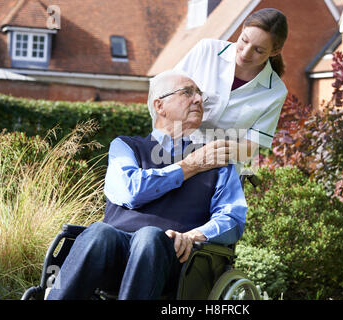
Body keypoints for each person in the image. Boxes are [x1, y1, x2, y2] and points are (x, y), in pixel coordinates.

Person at [46, 69, 247, 300]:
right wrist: (190, 166)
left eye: (200, 95)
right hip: (113, 254)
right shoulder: (126, 147)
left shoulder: (217, 161)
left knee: (150, 236)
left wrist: (193, 236)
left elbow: (232, 219)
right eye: (188, 92)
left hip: (175, 261)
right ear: (159, 106)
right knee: (99, 231)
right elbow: (129, 191)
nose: (199, 99)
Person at [173, 8, 288, 167]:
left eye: (258, 50)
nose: (246, 53)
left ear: (275, 51)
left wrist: (212, 152)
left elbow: (248, 150)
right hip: (173, 153)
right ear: (242, 30)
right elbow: (165, 93)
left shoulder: (275, 91)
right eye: (244, 40)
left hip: (221, 171)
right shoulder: (207, 50)